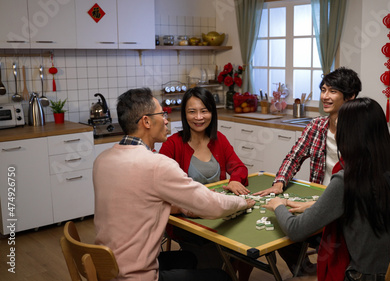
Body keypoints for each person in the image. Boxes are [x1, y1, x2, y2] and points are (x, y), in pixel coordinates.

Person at [93, 87, 255, 281]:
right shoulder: (157, 164)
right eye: (162, 114)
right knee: (220, 277)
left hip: (106, 268)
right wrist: (244, 202)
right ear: (146, 121)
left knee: (187, 259)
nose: (167, 120)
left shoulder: (102, 159)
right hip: (137, 276)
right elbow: (212, 206)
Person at [263, 97, 390, 281]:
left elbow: (296, 230)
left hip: (364, 276)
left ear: (348, 134)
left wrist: (278, 204)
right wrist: (316, 205)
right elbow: (363, 209)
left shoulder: (347, 179)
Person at [159, 87, 253, 280]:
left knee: (250, 246)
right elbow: (159, 187)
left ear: (212, 112)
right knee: (211, 264)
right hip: (189, 222)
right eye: (192, 111)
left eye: (204, 111)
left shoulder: (219, 140)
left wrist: (235, 179)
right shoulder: (172, 144)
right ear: (184, 115)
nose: (199, 117)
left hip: (220, 214)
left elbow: (240, 167)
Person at [254, 67, 362, 197]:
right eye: (323, 90)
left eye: (332, 91)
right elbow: (294, 158)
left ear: (350, 96)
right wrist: (279, 183)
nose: (325, 96)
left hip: (349, 198)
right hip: (319, 193)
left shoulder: (362, 129)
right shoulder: (316, 125)